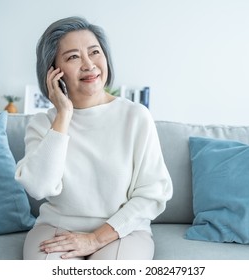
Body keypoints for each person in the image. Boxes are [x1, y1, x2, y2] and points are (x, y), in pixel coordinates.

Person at [15, 16, 173, 260]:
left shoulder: (136, 117)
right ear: (53, 72)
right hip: (58, 229)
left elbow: (152, 193)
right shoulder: (43, 124)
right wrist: (64, 115)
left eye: (94, 52)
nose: (89, 65)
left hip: (122, 230)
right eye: (73, 57)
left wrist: (95, 239)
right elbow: (39, 187)